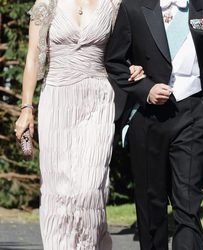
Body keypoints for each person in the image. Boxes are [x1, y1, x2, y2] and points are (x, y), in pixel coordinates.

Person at [14, 0, 144, 249]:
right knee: (58, 190)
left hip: (98, 100)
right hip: (57, 98)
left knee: (89, 189)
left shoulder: (115, 4)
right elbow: (32, 56)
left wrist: (135, 65)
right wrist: (26, 108)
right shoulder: (46, 3)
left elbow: (125, 51)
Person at [105, 0, 203, 249]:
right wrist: (145, 88)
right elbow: (115, 62)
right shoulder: (133, 7)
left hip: (194, 114)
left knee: (187, 201)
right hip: (148, 117)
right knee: (151, 203)